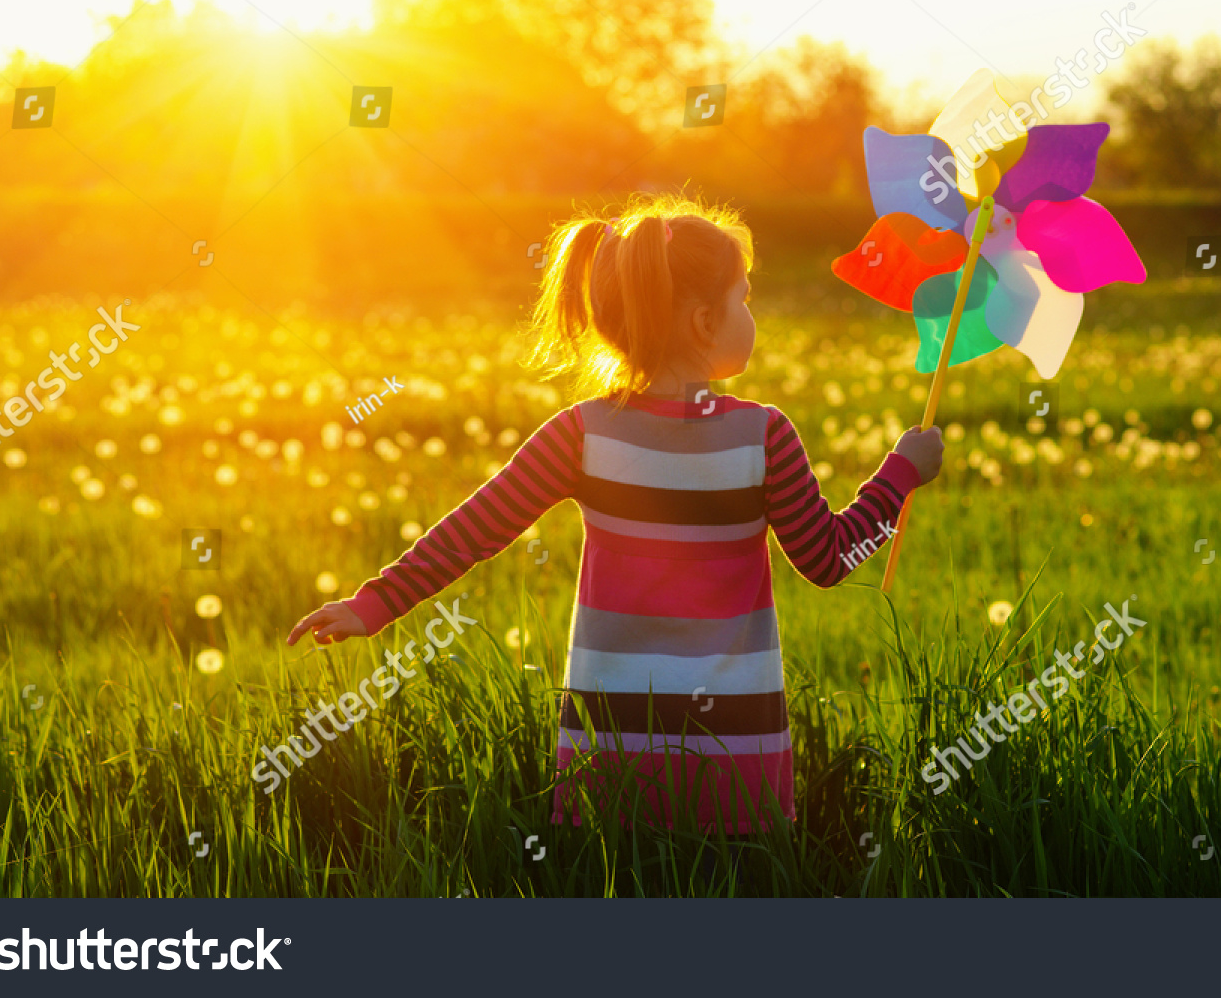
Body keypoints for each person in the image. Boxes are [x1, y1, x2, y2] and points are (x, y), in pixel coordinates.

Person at [287, 192, 944, 835]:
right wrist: (900, 477)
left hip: (610, 753)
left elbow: (475, 530)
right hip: (735, 752)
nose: (752, 315)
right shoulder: (762, 437)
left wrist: (373, 606)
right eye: (744, 298)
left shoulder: (583, 436)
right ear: (703, 323)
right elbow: (830, 561)